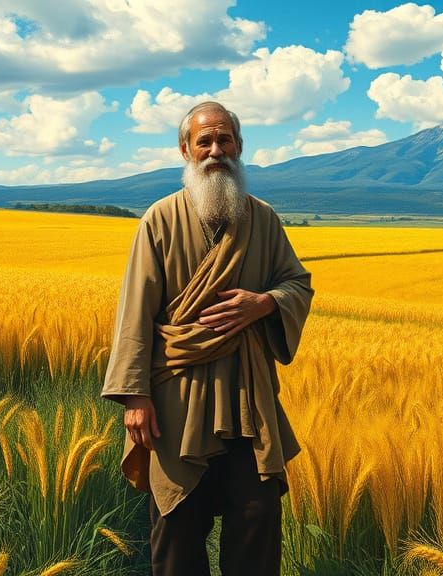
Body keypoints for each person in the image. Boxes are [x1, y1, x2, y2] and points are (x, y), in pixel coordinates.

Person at [100, 101, 314, 576]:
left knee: (257, 521)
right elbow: (134, 310)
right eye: (205, 141)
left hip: (247, 397)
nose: (215, 150)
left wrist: (264, 303)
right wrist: (136, 396)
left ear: (239, 147)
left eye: (225, 140)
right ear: (185, 149)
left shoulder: (263, 218)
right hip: (176, 401)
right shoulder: (159, 219)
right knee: (176, 529)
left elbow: (297, 283)